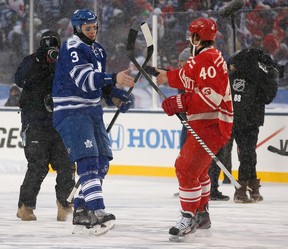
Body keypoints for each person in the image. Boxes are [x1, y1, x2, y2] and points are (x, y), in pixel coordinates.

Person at [52, 9, 135, 232]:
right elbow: (85, 81)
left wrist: (114, 96)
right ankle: (97, 210)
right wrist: (113, 78)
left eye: (95, 27)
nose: (92, 32)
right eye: (88, 29)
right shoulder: (72, 47)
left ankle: (81, 211)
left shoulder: (98, 50)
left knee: (102, 163)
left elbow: (100, 86)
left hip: (92, 111)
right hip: (71, 112)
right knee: (88, 161)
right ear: (77, 28)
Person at [155, 18, 233, 240]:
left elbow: (211, 98)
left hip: (211, 124)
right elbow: (187, 76)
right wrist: (166, 76)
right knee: (198, 172)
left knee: (186, 168)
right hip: (208, 123)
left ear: (197, 37)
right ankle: (202, 214)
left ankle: (188, 217)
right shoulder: (203, 57)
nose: (190, 38)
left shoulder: (207, 58)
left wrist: (179, 103)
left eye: (192, 34)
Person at [15, 30, 76, 221]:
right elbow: (19, 80)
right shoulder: (31, 61)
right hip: (35, 123)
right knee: (38, 166)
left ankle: (64, 206)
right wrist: (39, 62)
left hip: (59, 123)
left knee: (66, 165)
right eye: (47, 47)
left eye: (55, 47)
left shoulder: (63, 64)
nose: (51, 52)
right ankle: (25, 207)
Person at [228, 48, 278, 203]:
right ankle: (242, 189)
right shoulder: (261, 75)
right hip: (251, 119)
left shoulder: (234, 74)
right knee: (248, 153)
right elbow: (267, 97)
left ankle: (250, 186)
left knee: (247, 153)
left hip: (236, 118)